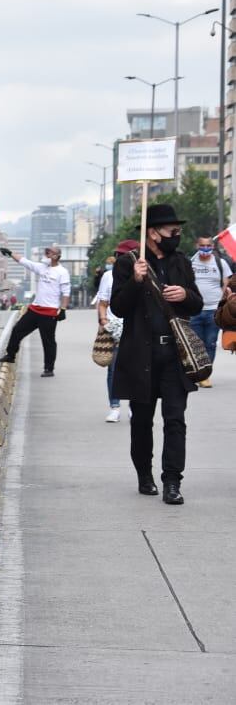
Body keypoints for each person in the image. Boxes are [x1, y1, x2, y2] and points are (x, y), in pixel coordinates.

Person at [110, 204, 202, 505]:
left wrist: (185, 295)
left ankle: (172, 482)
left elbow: (197, 303)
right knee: (142, 421)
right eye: (172, 231)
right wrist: (136, 282)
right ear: (152, 233)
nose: (177, 236)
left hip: (175, 354)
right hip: (141, 355)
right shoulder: (128, 263)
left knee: (175, 420)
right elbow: (118, 308)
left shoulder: (180, 263)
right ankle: (145, 476)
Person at [0, 245, 70, 377]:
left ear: (56, 256)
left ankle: (49, 369)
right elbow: (24, 261)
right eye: (46, 251)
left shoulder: (62, 272)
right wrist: (10, 252)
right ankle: (11, 355)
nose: (46, 254)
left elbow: (66, 293)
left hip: (50, 312)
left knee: (48, 341)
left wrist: (63, 309)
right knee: (17, 330)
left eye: (49, 252)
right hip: (35, 309)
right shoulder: (42, 268)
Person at [96, 240, 137, 423]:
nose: (120, 259)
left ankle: (134, 406)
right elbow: (103, 302)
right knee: (113, 369)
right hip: (114, 328)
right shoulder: (108, 276)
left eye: (124, 255)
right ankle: (114, 406)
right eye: (118, 255)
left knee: (137, 369)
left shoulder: (143, 274)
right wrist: (104, 321)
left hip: (137, 328)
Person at [188, 235, 231, 388]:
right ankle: (197, 371)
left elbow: (226, 280)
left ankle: (205, 375)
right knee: (196, 344)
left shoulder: (220, 263)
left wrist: (222, 294)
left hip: (213, 310)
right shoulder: (190, 263)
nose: (205, 248)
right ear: (197, 245)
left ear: (212, 246)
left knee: (210, 344)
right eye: (202, 245)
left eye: (208, 246)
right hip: (195, 310)